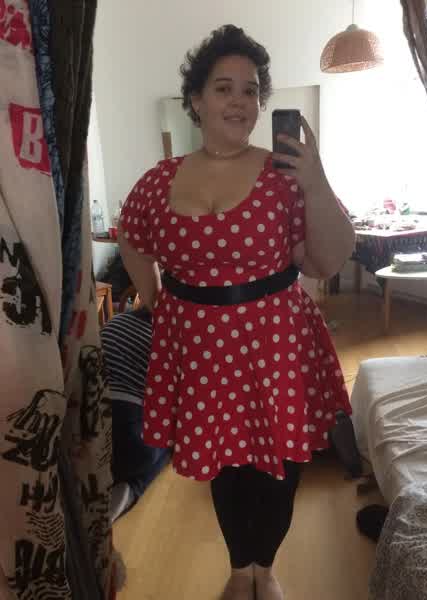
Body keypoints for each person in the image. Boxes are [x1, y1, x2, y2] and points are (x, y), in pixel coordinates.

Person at [118, 24, 355, 600]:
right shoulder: (159, 180)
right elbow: (131, 236)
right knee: (224, 463)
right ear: (196, 100)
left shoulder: (284, 175)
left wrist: (317, 180)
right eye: (224, 88)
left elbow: (326, 260)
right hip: (201, 348)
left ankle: (265, 568)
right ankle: (238, 566)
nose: (240, 101)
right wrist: (155, 300)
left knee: (281, 463)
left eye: (251, 90)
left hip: (276, 342)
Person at [100, 306, 171, 521]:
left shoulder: (115, 322)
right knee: (174, 440)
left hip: (82, 428)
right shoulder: (173, 340)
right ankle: (131, 488)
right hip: (129, 437)